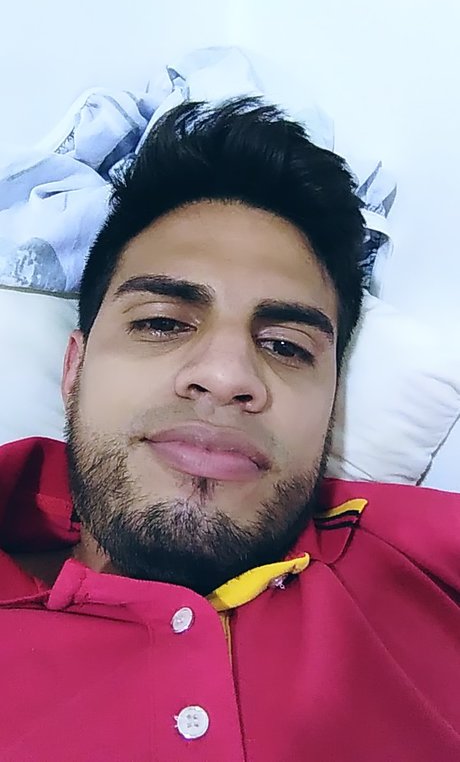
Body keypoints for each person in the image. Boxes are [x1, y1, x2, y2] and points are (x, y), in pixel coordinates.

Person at [0, 97, 459, 762]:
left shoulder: (420, 557)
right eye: (162, 322)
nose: (225, 376)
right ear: (74, 370)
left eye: (287, 346)